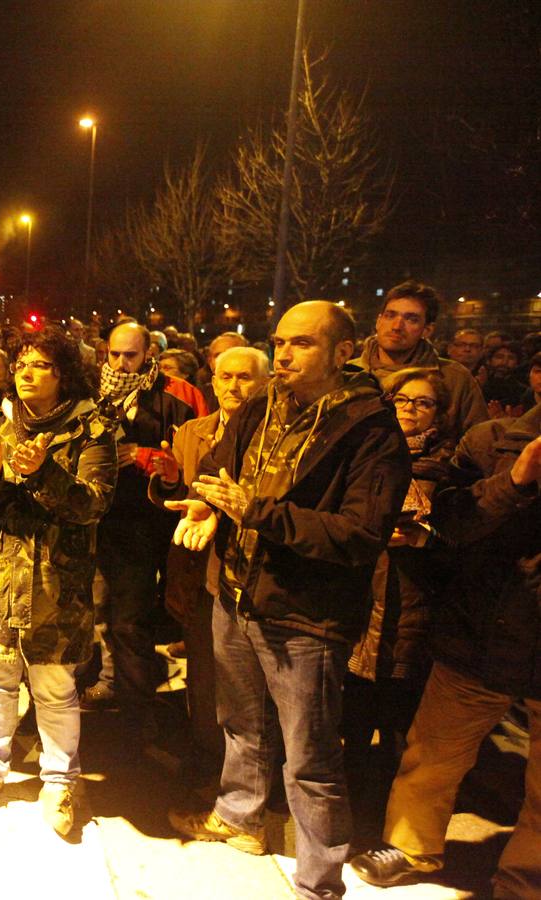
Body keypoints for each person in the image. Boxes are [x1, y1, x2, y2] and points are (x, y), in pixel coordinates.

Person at [166, 301, 411, 900]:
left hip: (307, 615)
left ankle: (319, 881)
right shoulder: (264, 404)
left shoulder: (371, 428)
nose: (284, 354)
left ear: (342, 351)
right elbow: (224, 472)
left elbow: (357, 535)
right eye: (279, 341)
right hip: (237, 594)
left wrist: (257, 511)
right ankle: (240, 815)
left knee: (311, 759)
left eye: (301, 343)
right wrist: (208, 504)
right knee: (241, 726)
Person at [349, 407, 540, 897]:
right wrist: (515, 481)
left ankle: (523, 881)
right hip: (481, 630)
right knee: (433, 753)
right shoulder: (495, 440)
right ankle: (410, 846)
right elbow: (450, 521)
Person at [0, 327, 116, 836]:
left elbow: (94, 504)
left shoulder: (92, 430)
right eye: (21, 362)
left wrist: (45, 474)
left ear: (62, 374)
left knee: (55, 688)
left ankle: (61, 780)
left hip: (54, 586)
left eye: (40, 364)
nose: (25, 372)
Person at [148, 346, 271, 768]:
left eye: (244, 377)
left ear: (265, 383)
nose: (233, 386)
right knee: (203, 670)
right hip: (198, 569)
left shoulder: (274, 437)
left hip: (252, 573)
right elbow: (182, 502)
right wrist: (167, 483)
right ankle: (206, 758)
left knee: (247, 684)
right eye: (225, 377)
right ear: (212, 382)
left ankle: (246, 770)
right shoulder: (192, 432)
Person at [341, 368, 454, 803]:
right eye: (403, 400)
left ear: (439, 415)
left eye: (423, 403)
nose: (411, 410)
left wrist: (426, 537)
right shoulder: (367, 455)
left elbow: (465, 542)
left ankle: (385, 811)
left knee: (397, 726)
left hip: (414, 612)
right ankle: (351, 802)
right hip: (360, 606)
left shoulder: (451, 468)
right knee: (351, 718)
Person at [84, 322, 196, 722]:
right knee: (95, 609)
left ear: (149, 352)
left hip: (141, 525)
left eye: (130, 355)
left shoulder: (179, 395)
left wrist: (150, 459)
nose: (121, 363)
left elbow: (196, 454)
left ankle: (135, 703)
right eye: (114, 354)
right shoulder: (91, 391)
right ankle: (108, 680)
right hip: (93, 518)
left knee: (130, 616)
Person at [354, 280, 487, 437]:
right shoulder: (348, 375)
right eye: (390, 316)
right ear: (378, 321)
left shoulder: (454, 379)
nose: (396, 326)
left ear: (427, 330)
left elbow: (477, 443)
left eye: (411, 319)